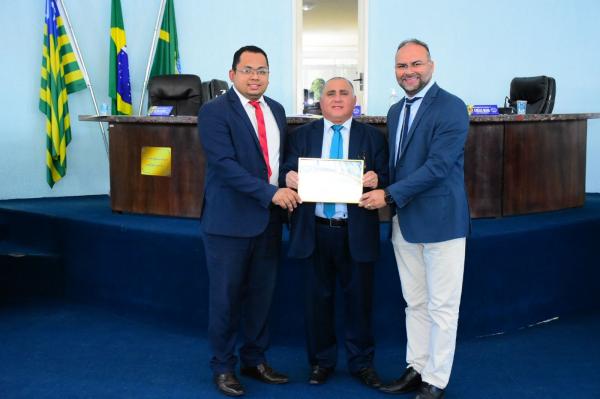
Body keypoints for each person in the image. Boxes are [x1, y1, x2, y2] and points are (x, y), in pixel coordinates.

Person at [359, 39, 470, 399]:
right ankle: (416, 367)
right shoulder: (395, 111)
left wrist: (388, 195)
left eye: (415, 64)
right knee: (416, 303)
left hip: (441, 222)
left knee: (442, 306)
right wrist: (381, 180)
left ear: (431, 66)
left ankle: (435, 379)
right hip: (405, 222)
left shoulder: (451, 107)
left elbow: (438, 166)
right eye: (401, 66)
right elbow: (399, 166)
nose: (409, 72)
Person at [198, 45, 301, 397]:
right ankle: (223, 367)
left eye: (262, 70)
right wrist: (270, 192)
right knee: (226, 299)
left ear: (269, 75)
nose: (255, 76)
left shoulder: (277, 110)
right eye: (248, 70)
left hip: (269, 222)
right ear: (232, 74)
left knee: (262, 296)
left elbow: (280, 161)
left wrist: (287, 177)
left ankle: (254, 359)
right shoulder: (213, 112)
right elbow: (225, 166)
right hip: (228, 222)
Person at [281, 77, 388, 388]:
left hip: (356, 232)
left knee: (360, 302)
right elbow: (285, 168)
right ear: (321, 101)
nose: (337, 98)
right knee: (317, 302)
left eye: (344, 93)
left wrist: (375, 177)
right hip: (314, 231)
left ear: (354, 100)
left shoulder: (373, 136)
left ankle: (361, 363)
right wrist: (288, 176)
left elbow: (389, 175)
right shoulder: (301, 135)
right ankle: (321, 362)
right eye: (330, 93)